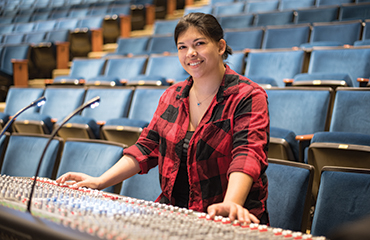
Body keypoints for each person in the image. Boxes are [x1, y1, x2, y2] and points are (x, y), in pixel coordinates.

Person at [56, 12, 270, 224]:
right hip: (175, 215)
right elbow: (145, 147)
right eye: (182, 47)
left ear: (221, 46)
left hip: (228, 218)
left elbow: (247, 153)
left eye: (199, 43)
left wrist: (231, 203)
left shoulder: (248, 95)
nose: (191, 53)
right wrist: (99, 181)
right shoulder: (172, 96)